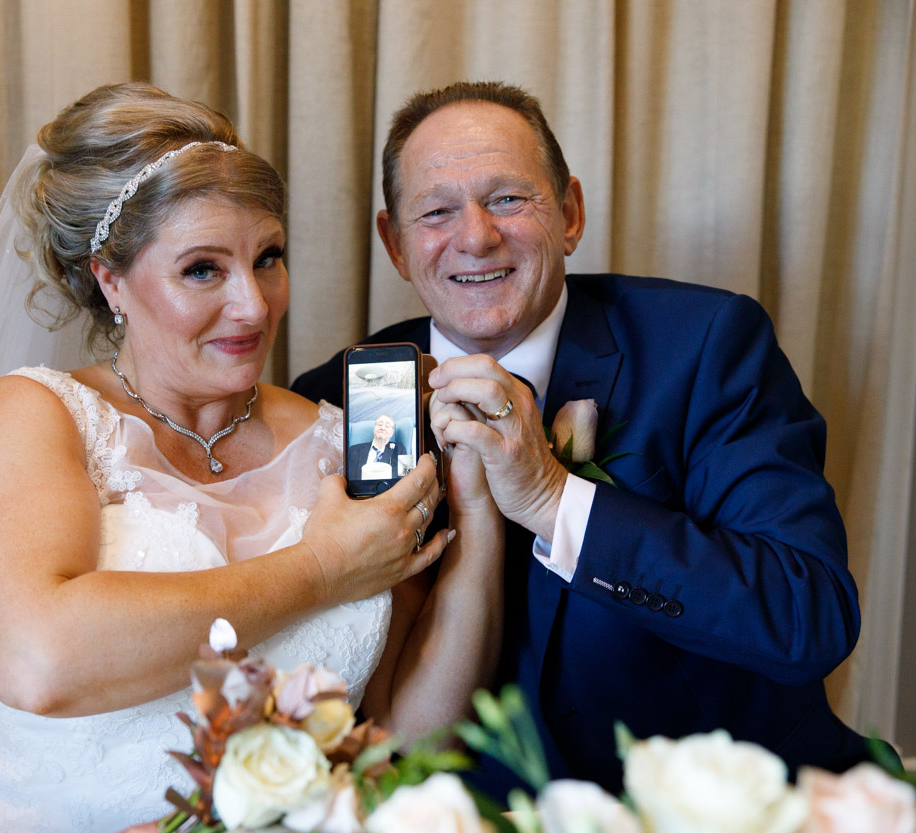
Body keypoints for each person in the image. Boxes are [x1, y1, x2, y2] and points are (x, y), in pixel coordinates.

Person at [0, 82, 505, 833]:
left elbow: (401, 733)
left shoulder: (336, 439)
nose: (255, 305)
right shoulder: (37, 414)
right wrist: (322, 571)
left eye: (269, 257)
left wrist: (476, 501)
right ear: (111, 280)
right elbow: (38, 660)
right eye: (202, 269)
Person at [292, 81, 873, 796]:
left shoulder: (706, 347)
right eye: (437, 211)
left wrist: (552, 497)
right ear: (396, 244)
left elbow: (807, 615)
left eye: (507, 198)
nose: (475, 235)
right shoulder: (327, 398)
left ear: (569, 213)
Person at [347, 413, 407, 478]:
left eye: (387, 426)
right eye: (379, 424)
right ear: (374, 429)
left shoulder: (401, 450)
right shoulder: (353, 450)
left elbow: (408, 478)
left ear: (392, 433)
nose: (382, 428)